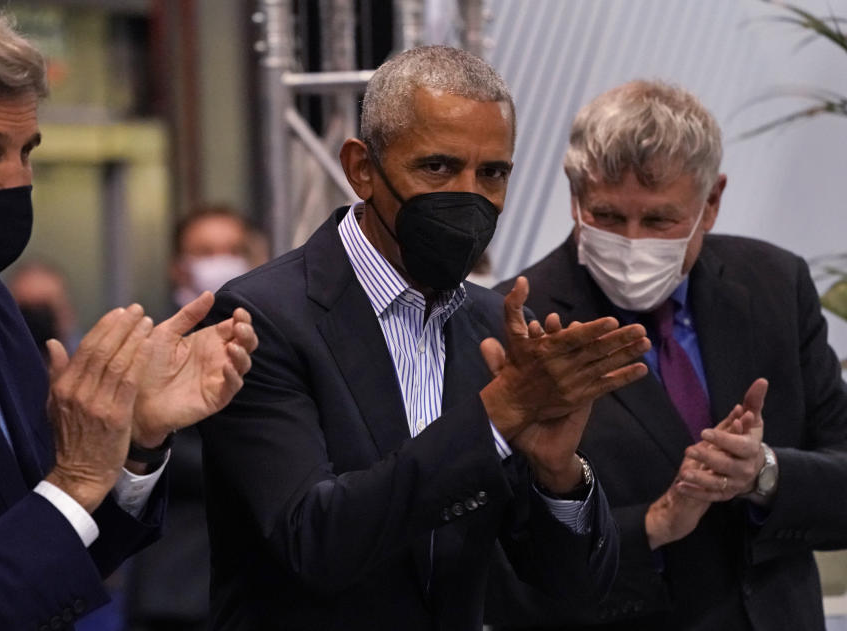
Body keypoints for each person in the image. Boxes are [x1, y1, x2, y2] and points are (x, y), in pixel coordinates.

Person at [199, 45, 652, 631]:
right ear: (362, 168)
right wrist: (493, 419)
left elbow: (572, 589)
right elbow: (313, 540)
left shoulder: (496, 325)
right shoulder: (262, 318)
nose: (469, 196)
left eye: (492, 173)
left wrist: (556, 475)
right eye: (438, 167)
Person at [0, 1, 257, 630]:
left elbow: (62, 550)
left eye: (25, 149)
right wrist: (78, 478)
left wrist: (133, 443)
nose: (15, 178)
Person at [488, 80, 847, 630]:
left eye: (659, 221)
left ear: (712, 202)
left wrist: (764, 475)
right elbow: (504, 572)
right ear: (574, 196)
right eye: (606, 216)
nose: (633, 242)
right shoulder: (515, 322)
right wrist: (653, 525)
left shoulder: (776, 285)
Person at [128, 206, 267, 631]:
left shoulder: (280, 330)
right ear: (179, 266)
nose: (220, 260)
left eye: (233, 249)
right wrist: (269, 463)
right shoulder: (146, 338)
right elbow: (146, 452)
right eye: (205, 251)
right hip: (180, 583)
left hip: (269, 589)